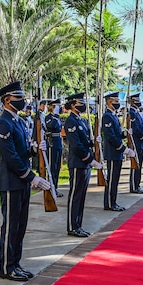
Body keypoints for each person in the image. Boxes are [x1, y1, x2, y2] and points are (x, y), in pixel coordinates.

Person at [0, 81, 50, 281]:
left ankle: (16, 263)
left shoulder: (18, 121)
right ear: (7, 100)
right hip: (11, 182)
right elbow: (11, 158)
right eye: (19, 99)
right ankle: (7, 267)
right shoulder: (3, 123)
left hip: (22, 182)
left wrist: (34, 149)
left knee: (20, 226)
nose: (23, 101)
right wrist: (32, 177)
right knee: (11, 227)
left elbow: (21, 152)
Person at [63, 93, 103, 237]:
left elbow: (85, 141)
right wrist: (89, 159)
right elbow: (76, 145)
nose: (83, 105)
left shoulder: (82, 121)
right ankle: (72, 226)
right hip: (78, 163)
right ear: (73, 105)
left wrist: (93, 142)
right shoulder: (70, 121)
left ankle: (78, 225)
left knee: (81, 196)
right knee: (75, 195)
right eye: (80, 102)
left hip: (85, 164)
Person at [101, 92, 136, 211]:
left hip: (117, 153)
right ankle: (110, 203)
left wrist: (125, 134)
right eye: (116, 101)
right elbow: (110, 137)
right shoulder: (107, 116)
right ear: (110, 102)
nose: (118, 103)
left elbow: (117, 134)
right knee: (112, 180)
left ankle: (112, 202)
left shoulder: (114, 116)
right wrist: (123, 149)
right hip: (112, 152)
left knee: (115, 179)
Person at [127, 92, 143, 194]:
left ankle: (137, 184)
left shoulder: (136, 112)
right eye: (137, 100)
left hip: (139, 143)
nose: (139, 102)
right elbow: (135, 129)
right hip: (136, 143)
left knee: (138, 165)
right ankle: (134, 186)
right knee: (136, 165)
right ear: (133, 101)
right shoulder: (132, 113)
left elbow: (140, 127)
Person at [45, 99, 64, 197]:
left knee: (57, 168)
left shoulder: (57, 117)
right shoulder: (48, 117)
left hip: (58, 143)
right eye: (57, 106)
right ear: (52, 107)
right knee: (52, 167)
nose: (59, 108)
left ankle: (55, 188)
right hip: (52, 144)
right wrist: (56, 116)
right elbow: (51, 126)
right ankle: (51, 188)